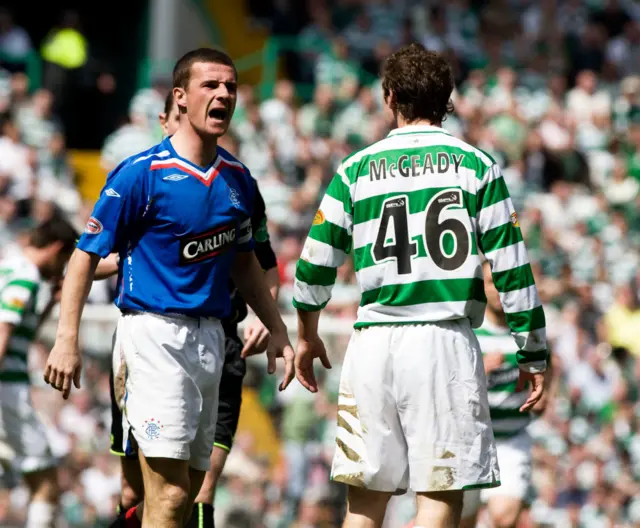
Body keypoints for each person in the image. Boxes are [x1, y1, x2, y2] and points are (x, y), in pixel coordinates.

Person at [293, 43, 548, 528]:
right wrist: (533, 353)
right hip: (442, 343)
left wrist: (306, 336)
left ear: (389, 97)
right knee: (437, 500)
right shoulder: (477, 166)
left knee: (365, 505)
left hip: (372, 342)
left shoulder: (355, 170)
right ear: (448, 99)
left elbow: (311, 272)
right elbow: (513, 272)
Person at [43, 48, 295, 528]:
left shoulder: (239, 180)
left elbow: (245, 263)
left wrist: (275, 325)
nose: (224, 94)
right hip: (154, 336)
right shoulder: (141, 173)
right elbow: (83, 256)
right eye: (211, 85)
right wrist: (66, 339)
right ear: (180, 97)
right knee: (170, 494)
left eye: (231, 87)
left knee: (191, 495)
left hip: (212, 341)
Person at [97, 89, 280, 528]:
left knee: (200, 485)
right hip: (152, 340)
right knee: (137, 490)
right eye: (171, 117)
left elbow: (262, 263)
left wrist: (264, 316)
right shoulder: (147, 180)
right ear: (168, 118)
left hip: (222, 344)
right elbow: (101, 254)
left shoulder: (237, 184)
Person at [460, 261, 552, 528]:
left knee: (504, 516)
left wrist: (544, 394)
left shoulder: (529, 331)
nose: (499, 289)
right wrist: (480, 370)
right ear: (482, 286)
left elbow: (547, 366)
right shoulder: (467, 330)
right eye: (491, 282)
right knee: (459, 520)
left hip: (511, 440)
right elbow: (447, 387)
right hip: (469, 438)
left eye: (504, 282)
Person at [0, 215, 79, 528]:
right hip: (8, 391)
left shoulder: (8, 266)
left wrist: (48, 307)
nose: (61, 270)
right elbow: (3, 330)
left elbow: (19, 331)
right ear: (57, 249)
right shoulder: (27, 275)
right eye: (64, 261)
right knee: (46, 480)